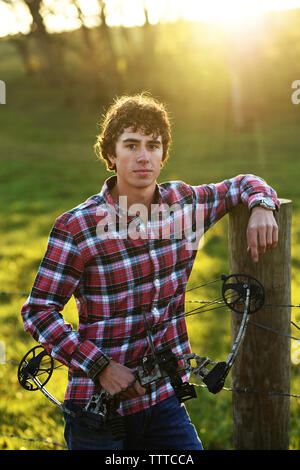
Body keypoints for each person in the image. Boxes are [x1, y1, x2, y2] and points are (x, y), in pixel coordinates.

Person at [21, 93, 280, 450]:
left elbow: (242, 183)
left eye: (153, 145)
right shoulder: (78, 226)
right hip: (98, 411)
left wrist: (263, 206)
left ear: (163, 155)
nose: (143, 156)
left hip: (163, 400)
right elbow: (38, 312)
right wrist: (101, 366)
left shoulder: (184, 205)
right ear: (110, 155)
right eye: (131, 145)